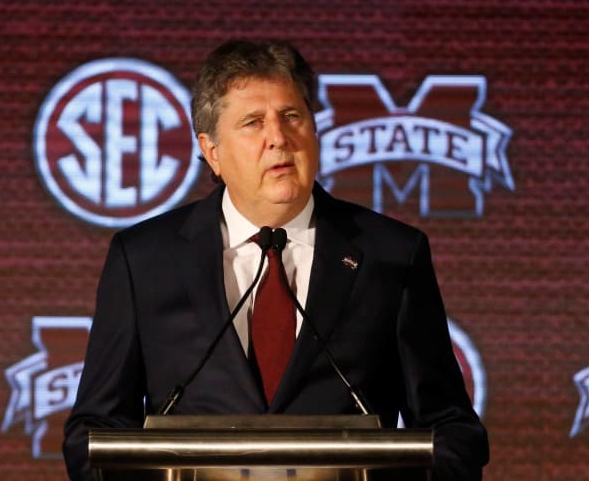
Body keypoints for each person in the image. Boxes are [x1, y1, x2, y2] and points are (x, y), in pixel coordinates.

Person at [63, 39, 489, 480]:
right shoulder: (145, 260)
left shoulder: (392, 254)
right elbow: (94, 433)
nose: (279, 138)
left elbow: (451, 432)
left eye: (292, 117)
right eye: (253, 123)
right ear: (211, 151)